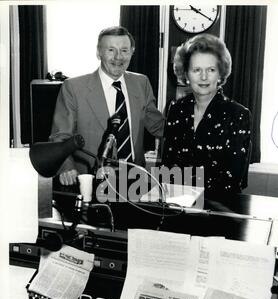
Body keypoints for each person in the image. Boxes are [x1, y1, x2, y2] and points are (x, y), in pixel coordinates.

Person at [49, 26, 164, 185]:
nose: (118, 57)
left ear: (132, 52)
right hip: (91, 180)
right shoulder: (73, 87)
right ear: (98, 52)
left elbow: (158, 125)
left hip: (135, 180)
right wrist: (66, 167)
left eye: (124, 50)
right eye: (111, 50)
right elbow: (60, 136)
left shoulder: (141, 83)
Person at [161, 34, 252, 195]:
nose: (204, 77)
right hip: (177, 206)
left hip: (220, 208)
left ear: (220, 74)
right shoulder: (176, 109)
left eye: (211, 70)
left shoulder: (238, 114)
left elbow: (233, 177)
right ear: (186, 75)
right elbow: (168, 166)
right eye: (196, 70)